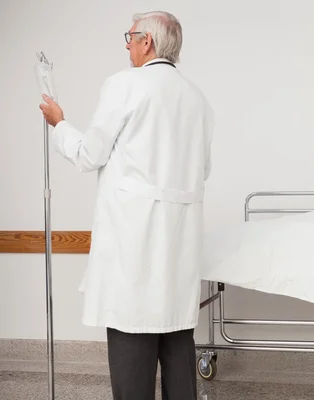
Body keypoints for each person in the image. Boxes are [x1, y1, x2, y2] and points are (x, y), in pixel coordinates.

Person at [39, 11, 213, 400]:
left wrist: (59, 124)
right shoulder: (197, 99)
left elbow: (89, 155)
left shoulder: (126, 85)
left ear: (147, 42)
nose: (127, 44)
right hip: (178, 250)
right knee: (176, 348)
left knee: (133, 352)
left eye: (131, 36)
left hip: (134, 249)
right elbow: (201, 170)